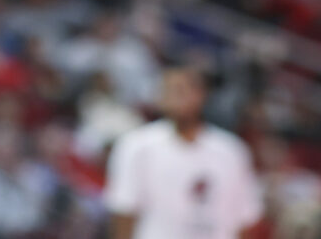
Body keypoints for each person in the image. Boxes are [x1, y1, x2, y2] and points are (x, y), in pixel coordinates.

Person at [104, 65, 262, 239]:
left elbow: (244, 218)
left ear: (202, 94)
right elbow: (124, 212)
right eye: (169, 90)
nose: (177, 97)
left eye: (183, 89)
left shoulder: (231, 150)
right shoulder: (136, 146)